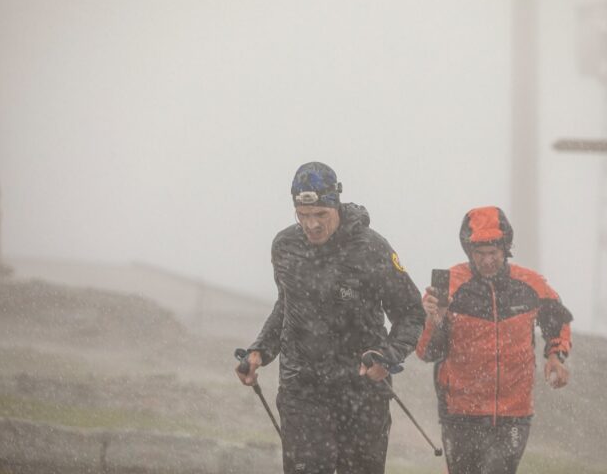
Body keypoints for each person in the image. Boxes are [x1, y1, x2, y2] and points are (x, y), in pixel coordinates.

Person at [235, 161, 425, 474]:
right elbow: (286, 305)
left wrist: (388, 357)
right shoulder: (285, 246)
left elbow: (411, 313)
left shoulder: (372, 249)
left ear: (335, 205)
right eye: (303, 215)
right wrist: (259, 352)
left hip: (362, 392)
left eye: (320, 214)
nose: (312, 225)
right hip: (302, 390)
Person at [416, 206, 572, 474]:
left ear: (506, 249)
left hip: (514, 413)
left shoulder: (530, 284)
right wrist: (436, 319)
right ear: (469, 252)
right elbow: (426, 352)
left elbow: (557, 320)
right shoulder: (449, 286)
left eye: (494, 253)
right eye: (480, 253)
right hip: (460, 413)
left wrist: (556, 356)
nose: (488, 260)